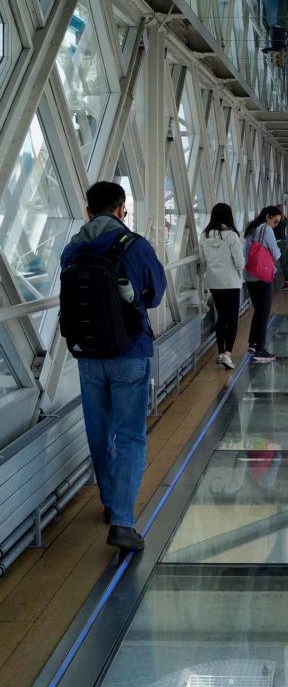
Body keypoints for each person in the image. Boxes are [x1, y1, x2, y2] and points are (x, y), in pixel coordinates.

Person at [60, 181, 166, 552]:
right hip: (130, 353)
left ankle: (110, 503)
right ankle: (122, 520)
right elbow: (156, 294)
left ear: (88, 211)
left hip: (87, 354)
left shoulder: (72, 249)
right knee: (131, 435)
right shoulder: (136, 246)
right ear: (122, 209)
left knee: (99, 433)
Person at [199, 203, 244, 369]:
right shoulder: (232, 236)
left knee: (221, 317)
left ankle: (220, 352)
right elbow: (240, 263)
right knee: (232, 319)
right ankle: (228, 354)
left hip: (214, 282)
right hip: (231, 282)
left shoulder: (205, 235)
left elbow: (202, 260)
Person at [243, 206, 281, 361]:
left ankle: (253, 343)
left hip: (249, 274)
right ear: (268, 217)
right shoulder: (267, 230)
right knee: (264, 311)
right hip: (262, 275)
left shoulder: (251, 229)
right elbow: (276, 253)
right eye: (275, 221)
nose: (276, 225)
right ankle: (260, 348)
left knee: (258, 309)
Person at [274, 203, 288, 289]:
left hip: (279, 242)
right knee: (286, 263)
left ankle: (287, 282)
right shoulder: (284, 218)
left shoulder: (277, 220)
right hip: (284, 241)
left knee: (283, 263)